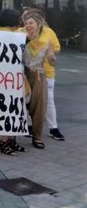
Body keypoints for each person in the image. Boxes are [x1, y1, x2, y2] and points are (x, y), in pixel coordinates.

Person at [22, 8, 64, 141]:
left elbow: (55, 51)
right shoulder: (22, 33)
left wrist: (51, 56)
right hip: (26, 75)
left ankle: (53, 128)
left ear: (40, 22)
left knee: (48, 101)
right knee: (26, 100)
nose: (29, 24)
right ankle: (29, 126)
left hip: (46, 73)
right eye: (27, 21)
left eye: (33, 21)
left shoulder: (49, 32)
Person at [0, 9, 27, 155]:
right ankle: (4, 141)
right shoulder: (16, 36)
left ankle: (10, 140)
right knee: (11, 109)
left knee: (13, 109)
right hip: (10, 79)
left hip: (3, 78)